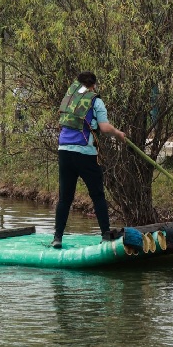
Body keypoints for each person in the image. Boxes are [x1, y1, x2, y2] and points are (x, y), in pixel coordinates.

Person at [54, 72, 125, 249]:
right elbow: (104, 127)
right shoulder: (95, 100)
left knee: (65, 197)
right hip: (85, 153)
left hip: (64, 151)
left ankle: (57, 238)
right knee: (98, 195)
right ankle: (106, 235)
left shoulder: (69, 97)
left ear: (78, 83)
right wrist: (118, 133)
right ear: (93, 85)